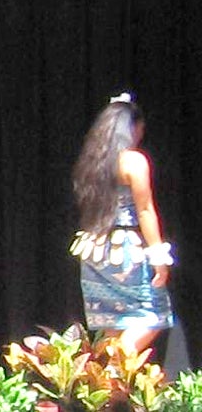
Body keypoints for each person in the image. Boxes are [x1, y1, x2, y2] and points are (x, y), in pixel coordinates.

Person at [71, 93, 173, 355]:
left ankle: (104, 392)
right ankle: (117, 371)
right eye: (140, 127)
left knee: (112, 327)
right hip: (125, 250)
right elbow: (145, 210)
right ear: (132, 129)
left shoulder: (92, 163)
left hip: (94, 250)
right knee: (153, 315)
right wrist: (158, 257)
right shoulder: (134, 161)